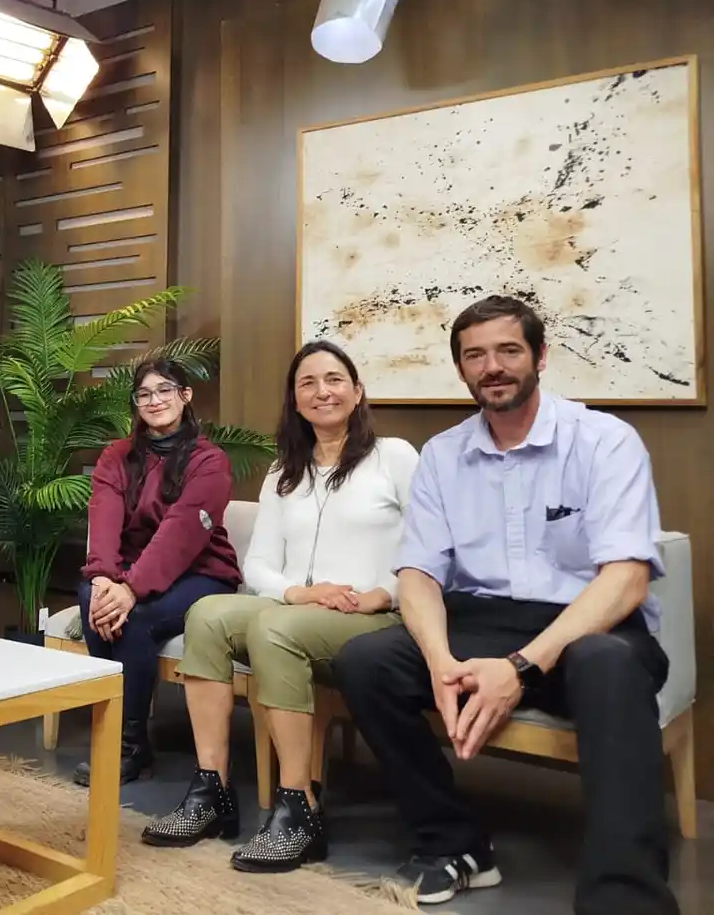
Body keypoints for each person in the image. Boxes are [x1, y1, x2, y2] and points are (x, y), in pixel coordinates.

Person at [332, 296, 679, 914]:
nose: (492, 366)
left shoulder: (604, 441)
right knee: (366, 661)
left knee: (607, 663)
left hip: (590, 625)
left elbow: (626, 580)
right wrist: (439, 661)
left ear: (539, 357)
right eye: (475, 356)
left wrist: (521, 667)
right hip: (483, 620)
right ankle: (453, 843)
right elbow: (418, 575)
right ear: (461, 369)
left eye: (508, 350)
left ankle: (625, 893)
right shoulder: (444, 455)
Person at [142, 341, 417, 872]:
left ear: (357, 391)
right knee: (208, 615)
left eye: (334, 379)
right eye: (307, 383)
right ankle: (211, 790)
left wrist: (386, 592)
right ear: (294, 399)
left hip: (371, 615)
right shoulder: (284, 470)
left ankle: (299, 807)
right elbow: (260, 564)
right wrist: (299, 593)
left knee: (275, 630)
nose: (322, 391)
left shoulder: (395, 457)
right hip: (297, 608)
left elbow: (429, 545)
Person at [74, 358, 241, 788]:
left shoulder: (209, 460)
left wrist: (131, 589)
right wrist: (103, 578)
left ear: (185, 396)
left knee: (136, 617)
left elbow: (181, 533)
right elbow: (104, 516)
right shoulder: (117, 455)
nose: (155, 401)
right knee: (92, 596)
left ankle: (127, 746)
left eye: (165, 390)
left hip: (202, 572)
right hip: (131, 571)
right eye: (144, 394)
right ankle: (116, 734)